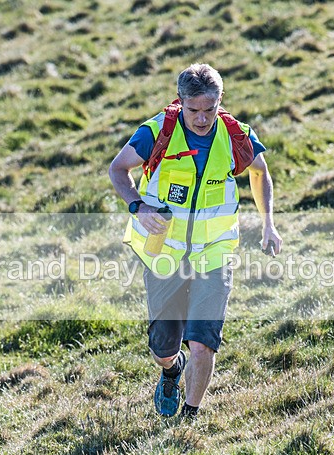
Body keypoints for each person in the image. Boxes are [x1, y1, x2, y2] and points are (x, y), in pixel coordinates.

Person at [108, 63, 282, 418]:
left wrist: (269, 224)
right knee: (163, 348)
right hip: (164, 255)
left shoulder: (236, 136)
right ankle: (171, 370)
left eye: (209, 110)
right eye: (193, 111)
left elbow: (260, 172)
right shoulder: (158, 131)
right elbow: (117, 169)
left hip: (213, 254)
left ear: (220, 102)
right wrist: (137, 206)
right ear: (180, 102)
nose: (202, 119)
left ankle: (190, 416)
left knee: (204, 344)